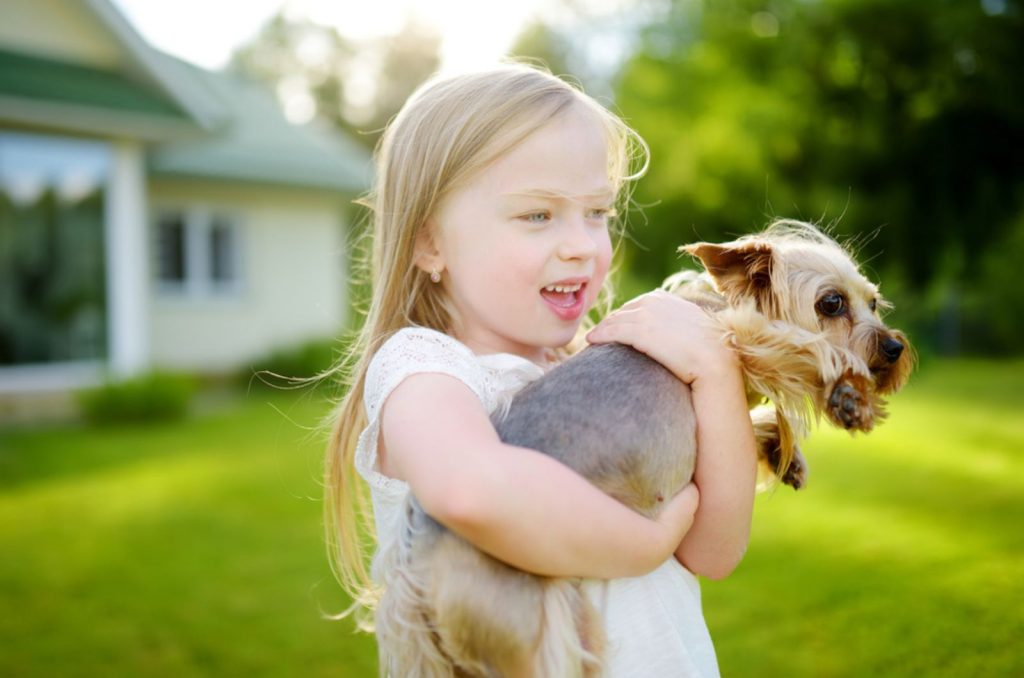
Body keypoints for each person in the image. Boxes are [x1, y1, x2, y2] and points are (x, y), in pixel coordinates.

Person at [324, 62, 757, 677]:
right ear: (430, 243)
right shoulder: (426, 369)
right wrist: (643, 545)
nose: (582, 245)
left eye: (597, 212)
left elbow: (715, 551)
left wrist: (714, 371)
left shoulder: (602, 379)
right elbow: (470, 490)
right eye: (537, 215)